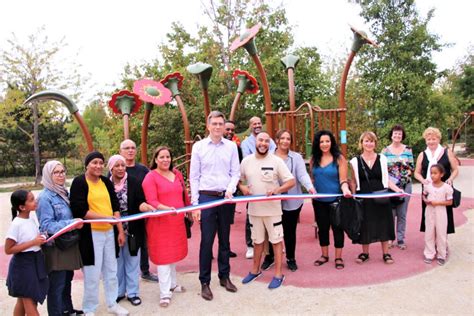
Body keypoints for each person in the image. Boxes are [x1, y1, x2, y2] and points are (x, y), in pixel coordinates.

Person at [70, 151, 129, 316]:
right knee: (92, 274)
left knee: (111, 271)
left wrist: (119, 230)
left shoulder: (105, 182)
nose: (98, 166)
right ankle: (89, 308)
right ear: (87, 165)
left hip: (109, 232)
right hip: (91, 235)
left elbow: (115, 206)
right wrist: (105, 217)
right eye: (94, 162)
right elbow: (80, 210)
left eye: (100, 163)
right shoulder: (79, 182)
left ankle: (112, 304)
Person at [190, 111, 240, 301]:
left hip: (225, 198)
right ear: (208, 126)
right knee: (207, 241)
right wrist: (195, 205)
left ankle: (224, 276)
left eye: (221, 124)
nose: (218, 127)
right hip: (206, 198)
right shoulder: (199, 147)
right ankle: (204, 281)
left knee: (225, 240)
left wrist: (230, 189)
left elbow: (235, 172)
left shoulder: (231, 147)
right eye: (215, 124)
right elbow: (194, 177)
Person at [240, 132, 295, 289]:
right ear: (255, 142)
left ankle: (278, 274)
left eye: (266, 141)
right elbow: (238, 179)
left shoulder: (276, 161)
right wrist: (242, 186)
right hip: (254, 211)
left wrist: (277, 190)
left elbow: (290, 181)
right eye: (260, 140)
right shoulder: (246, 161)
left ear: (270, 143)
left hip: (273, 211)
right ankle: (255, 270)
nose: (263, 143)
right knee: (257, 241)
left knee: (276, 241)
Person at [262, 129, 316, 272]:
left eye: (288, 139)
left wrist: (310, 187)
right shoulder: (268, 156)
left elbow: (302, 175)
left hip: (292, 201)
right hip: (272, 201)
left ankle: (290, 258)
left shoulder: (296, 157)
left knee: (289, 230)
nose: (285, 141)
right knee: (271, 229)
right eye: (283, 138)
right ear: (277, 140)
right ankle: (270, 256)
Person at [142, 146, 189, 307]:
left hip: (176, 221)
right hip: (160, 222)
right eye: (161, 157)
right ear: (155, 159)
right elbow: (152, 201)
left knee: (173, 254)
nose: (165, 160)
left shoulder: (176, 174)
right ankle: (164, 293)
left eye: (168, 157)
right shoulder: (150, 177)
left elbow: (184, 194)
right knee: (163, 257)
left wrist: (189, 211)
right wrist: (166, 208)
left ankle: (173, 283)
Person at [37, 161, 83, 316]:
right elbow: (46, 225)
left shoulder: (64, 193)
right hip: (56, 247)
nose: (61, 175)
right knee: (57, 285)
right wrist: (72, 223)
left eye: (63, 171)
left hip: (68, 244)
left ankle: (67, 309)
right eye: (56, 172)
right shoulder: (45, 197)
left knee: (67, 281)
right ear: (48, 175)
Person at [107, 155, 155, 307]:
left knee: (133, 261)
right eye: (117, 166)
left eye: (123, 165)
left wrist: (146, 207)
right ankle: (119, 292)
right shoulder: (105, 184)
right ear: (111, 168)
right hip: (113, 230)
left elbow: (140, 202)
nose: (121, 168)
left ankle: (133, 293)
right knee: (117, 262)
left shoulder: (134, 182)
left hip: (133, 228)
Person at [349, 132, 403, 265]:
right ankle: (365, 253)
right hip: (364, 198)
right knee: (365, 225)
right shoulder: (354, 161)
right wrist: (353, 196)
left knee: (384, 223)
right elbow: (354, 181)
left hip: (381, 196)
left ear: (375, 143)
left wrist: (397, 190)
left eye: (372, 141)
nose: (369, 144)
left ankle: (386, 253)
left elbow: (387, 179)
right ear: (361, 143)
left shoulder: (382, 158)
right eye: (366, 141)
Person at [311, 130, 352, 270]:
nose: (324, 144)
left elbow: (343, 179)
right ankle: (324, 255)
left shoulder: (339, 158)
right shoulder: (313, 159)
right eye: (321, 141)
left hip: (336, 200)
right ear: (318, 143)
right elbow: (312, 179)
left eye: (327, 141)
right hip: (318, 201)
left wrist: (345, 189)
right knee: (322, 229)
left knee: (337, 229)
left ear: (332, 142)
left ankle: (338, 257)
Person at [119, 139, 158, 283]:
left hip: (142, 211)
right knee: (124, 243)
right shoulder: (117, 169)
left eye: (133, 148)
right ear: (120, 151)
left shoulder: (143, 170)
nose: (130, 150)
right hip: (122, 214)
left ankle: (145, 270)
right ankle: (125, 274)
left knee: (144, 242)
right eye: (126, 148)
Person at [5, 190, 48, 316]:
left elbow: (32, 240)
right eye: (31, 200)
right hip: (23, 265)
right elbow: (8, 249)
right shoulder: (16, 224)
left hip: (35, 261)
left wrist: (41, 239)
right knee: (29, 302)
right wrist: (33, 242)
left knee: (23, 300)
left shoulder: (31, 219)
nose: (35, 201)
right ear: (22, 207)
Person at [241, 116, 276, 259]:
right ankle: (250, 245)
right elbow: (248, 159)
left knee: (271, 214)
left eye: (259, 123)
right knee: (252, 214)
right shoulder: (245, 143)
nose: (257, 125)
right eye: (254, 123)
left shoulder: (270, 140)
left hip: (269, 181)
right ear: (250, 126)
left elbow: (272, 156)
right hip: (253, 182)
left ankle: (273, 245)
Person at [414, 127, 459, 237]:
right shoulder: (422, 155)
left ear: (439, 139)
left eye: (433, 139)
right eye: (428, 139)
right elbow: (416, 173)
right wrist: (423, 180)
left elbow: (455, 169)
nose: (431, 141)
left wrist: (450, 179)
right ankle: (431, 241)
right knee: (429, 216)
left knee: (444, 215)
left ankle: (443, 243)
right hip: (428, 189)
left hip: (444, 189)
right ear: (425, 140)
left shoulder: (446, 152)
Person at [381, 124, 414, 250]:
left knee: (402, 213)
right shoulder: (385, 151)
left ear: (402, 135)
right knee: (391, 213)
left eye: (400, 134)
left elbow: (411, 167)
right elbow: (382, 169)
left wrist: (402, 179)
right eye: (395, 133)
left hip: (405, 185)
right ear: (391, 135)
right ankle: (390, 238)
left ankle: (401, 239)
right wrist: (392, 183)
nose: (397, 135)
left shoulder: (408, 150)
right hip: (390, 185)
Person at [422, 164, 453, 266]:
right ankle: (429, 253)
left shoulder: (447, 187)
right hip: (429, 211)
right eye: (431, 173)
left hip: (441, 212)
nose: (432, 175)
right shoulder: (428, 186)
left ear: (442, 174)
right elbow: (424, 195)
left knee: (441, 233)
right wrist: (426, 200)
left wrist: (438, 203)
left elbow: (450, 202)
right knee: (429, 232)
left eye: (435, 173)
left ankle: (441, 255)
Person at [224, 120, 242, 258]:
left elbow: (238, 169)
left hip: (230, 190)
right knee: (210, 224)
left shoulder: (236, 148)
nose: (230, 132)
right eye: (227, 129)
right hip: (212, 191)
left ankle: (225, 247)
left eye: (232, 130)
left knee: (226, 221)